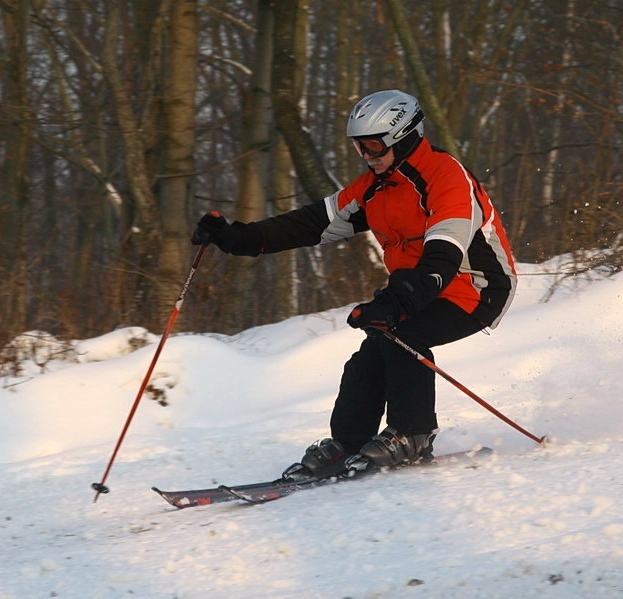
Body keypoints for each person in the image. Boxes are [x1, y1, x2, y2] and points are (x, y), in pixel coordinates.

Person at [191, 89, 517, 480]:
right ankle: (348, 441)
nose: (367, 156)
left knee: (403, 337)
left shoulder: (445, 177)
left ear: (405, 136)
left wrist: (396, 303)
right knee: (372, 351)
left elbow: (442, 258)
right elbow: (311, 224)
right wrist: (235, 238)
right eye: (360, 148)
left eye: (375, 146)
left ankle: (413, 434)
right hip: (419, 286)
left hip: (477, 286)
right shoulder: (375, 187)